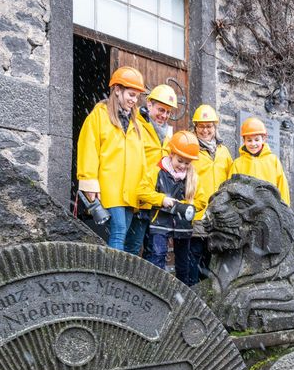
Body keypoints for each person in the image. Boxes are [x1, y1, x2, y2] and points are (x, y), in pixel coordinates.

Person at [76, 66, 147, 250]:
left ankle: (118, 274)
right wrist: (89, 182)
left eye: (137, 96)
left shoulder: (136, 124)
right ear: (117, 90)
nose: (134, 100)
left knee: (125, 234)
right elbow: (88, 150)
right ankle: (115, 277)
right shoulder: (98, 116)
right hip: (110, 187)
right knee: (118, 231)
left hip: (130, 191)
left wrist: (143, 188)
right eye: (131, 94)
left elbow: (142, 160)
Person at [137, 131, 207, 285]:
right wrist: (162, 199)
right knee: (157, 256)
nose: (183, 166)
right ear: (171, 154)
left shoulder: (193, 178)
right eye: (179, 161)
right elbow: (142, 191)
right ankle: (155, 289)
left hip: (183, 224)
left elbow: (202, 200)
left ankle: (182, 294)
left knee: (183, 263)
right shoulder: (157, 171)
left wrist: (187, 206)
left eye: (187, 163)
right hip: (160, 222)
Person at [124, 84, 178, 257]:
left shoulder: (167, 136)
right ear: (149, 104)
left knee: (154, 252)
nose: (164, 115)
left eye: (168, 112)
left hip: (158, 202)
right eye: (161, 110)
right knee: (131, 249)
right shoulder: (135, 125)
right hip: (137, 200)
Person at [183, 105, 233, 285]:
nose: (205, 130)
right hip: (195, 211)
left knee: (211, 259)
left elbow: (229, 181)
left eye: (209, 126)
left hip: (216, 214)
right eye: (201, 126)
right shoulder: (189, 147)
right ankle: (191, 293)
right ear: (195, 127)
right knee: (193, 256)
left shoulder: (224, 152)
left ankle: (205, 296)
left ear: (215, 127)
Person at [230, 116, 291, 205]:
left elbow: (282, 187)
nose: (253, 144)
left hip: (269, 208)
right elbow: (231, 188)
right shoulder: (237, 163)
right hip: (245, 210)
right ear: (244, 141)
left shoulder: (273, 160)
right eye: (249, 140)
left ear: (264, 139)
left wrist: (285, 208)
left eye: (257, 139)